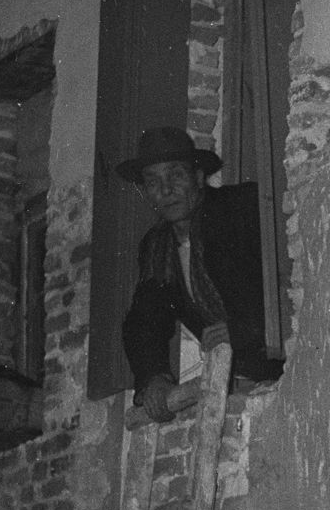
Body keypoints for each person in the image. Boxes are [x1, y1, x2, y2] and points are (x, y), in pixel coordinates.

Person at [118, 126, 282, 419]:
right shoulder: (158, 247)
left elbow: (287, 280)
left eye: (176, 176)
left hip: (291, 366)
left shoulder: (241, 209)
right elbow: (145, 320)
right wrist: (153, 376)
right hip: (244, 387)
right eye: (153, 182)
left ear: (197, 178)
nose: (166, 191)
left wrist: (246, 329)